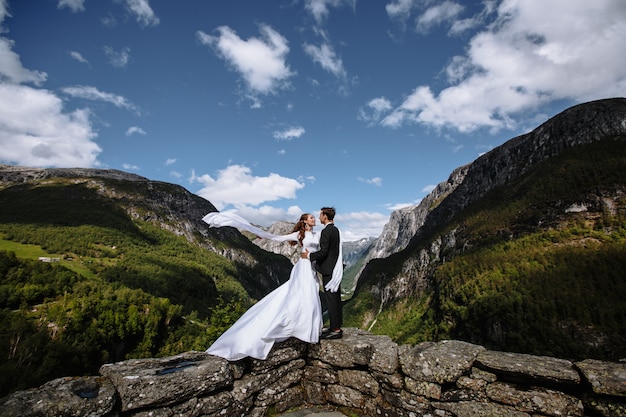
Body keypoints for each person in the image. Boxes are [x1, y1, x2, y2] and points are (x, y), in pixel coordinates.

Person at [201, 211, 323, 361]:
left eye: (314, 218)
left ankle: (306, 329)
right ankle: (295, 327)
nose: (314, 219)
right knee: (302, 294)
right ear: (304, 221)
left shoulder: (317, 235)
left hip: (311, 267)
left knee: (309, 295)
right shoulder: (299, 235)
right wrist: (260, 234)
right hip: (303, 266)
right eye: (311, 218)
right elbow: (277, 238)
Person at [301, 207, 343, 340]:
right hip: (335, 269)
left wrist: (309, 255)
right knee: (335, 299)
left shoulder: (326, 231)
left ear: (325, 216)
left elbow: (324, 251)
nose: (319, 218)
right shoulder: (335, 230)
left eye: (320, 216)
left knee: (331, 300)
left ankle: (335, 330)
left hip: (329, 270)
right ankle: (335, 327)